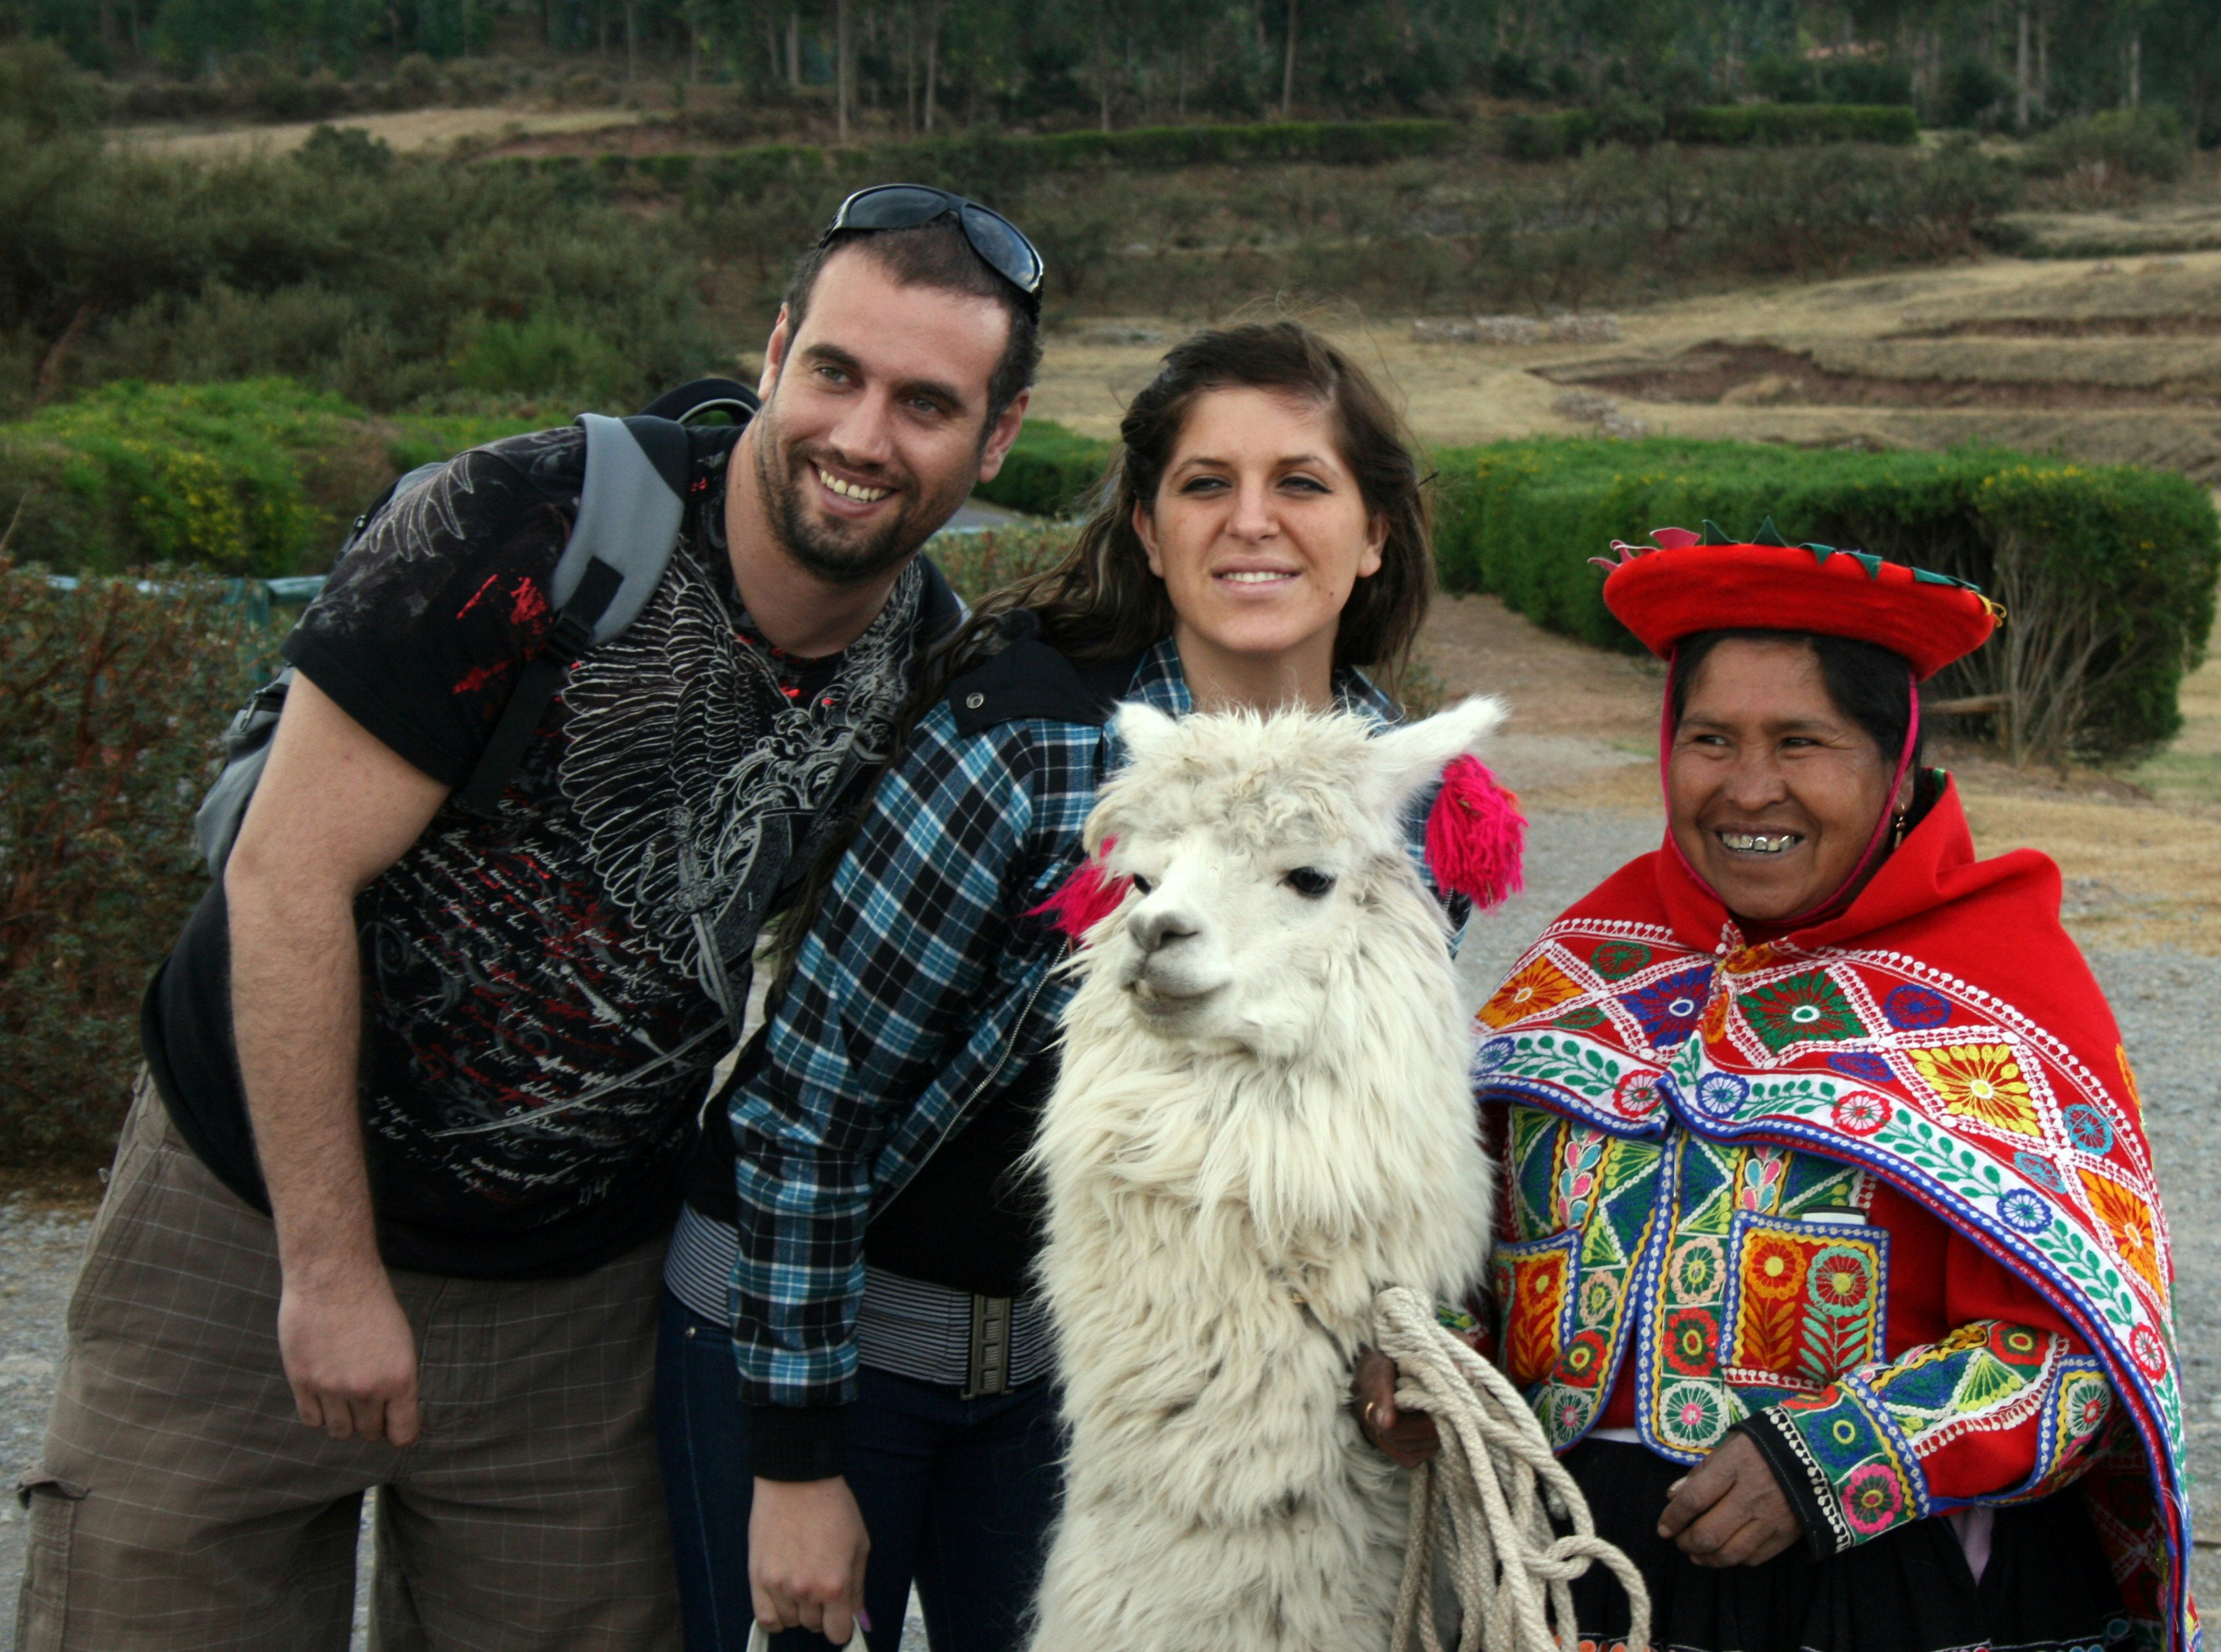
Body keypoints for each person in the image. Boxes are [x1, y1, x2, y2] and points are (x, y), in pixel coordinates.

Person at [14, 183, 1043, 1651]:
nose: (863, 437)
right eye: (836, 372)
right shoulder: (516, 519)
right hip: (247, 1229)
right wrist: (328, 1273)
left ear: (995, 440)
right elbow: (284, 877)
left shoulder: (931, 671)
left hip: (571, 1308)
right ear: (773, 355)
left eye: (927, 403)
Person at [676, 320, 1503, 1652]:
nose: (1253, 525)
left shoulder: (1396, 806)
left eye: (1301, 483)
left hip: (1099, 1369)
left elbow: (1363, 1119)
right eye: (1204, 485)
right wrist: (795, 1459)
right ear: (1146, 521)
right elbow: (807, 1105)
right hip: (835, 1341)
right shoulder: (1031, 754)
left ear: (1376, 533)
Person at [1369, 531, 2195, 1651]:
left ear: (1895, 764)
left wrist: (1833, 1463)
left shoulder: (2005, 996)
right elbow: (1464, 1237)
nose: (1750, 787)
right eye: (1712, 740)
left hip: (1863, 1593)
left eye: (1802, 742)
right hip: (1563, 1580)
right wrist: (1434, 1351)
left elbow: (2076, 1363)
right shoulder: (1588, 963)